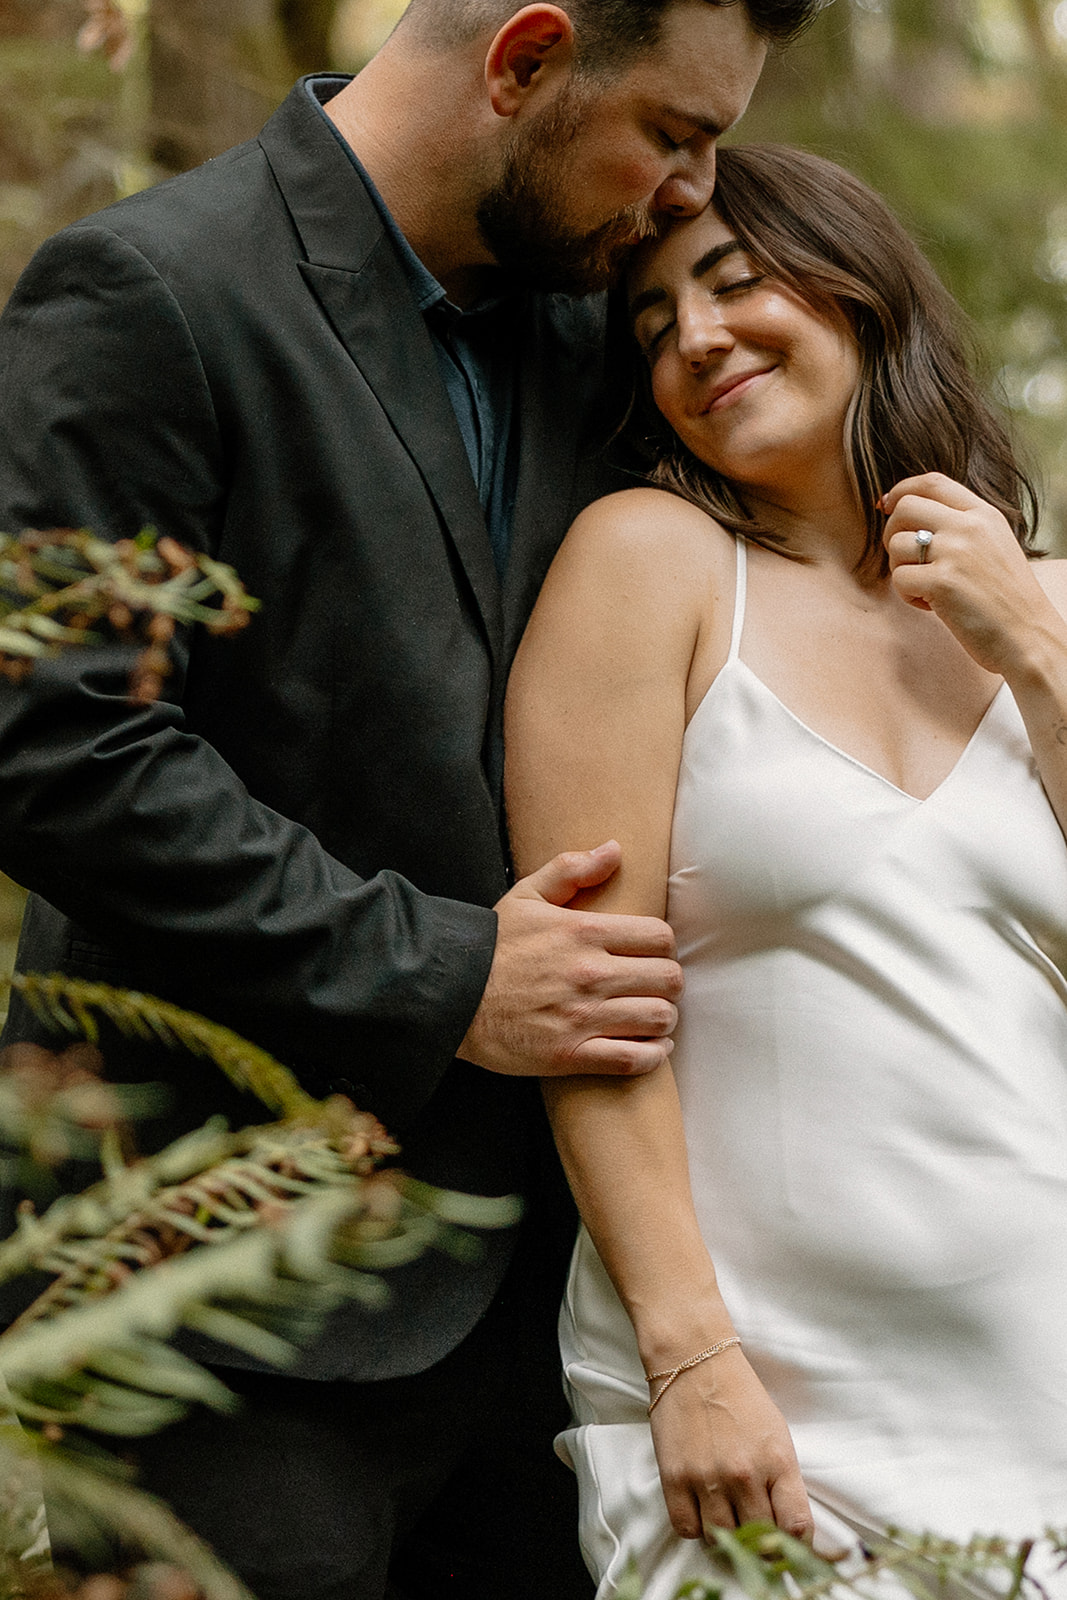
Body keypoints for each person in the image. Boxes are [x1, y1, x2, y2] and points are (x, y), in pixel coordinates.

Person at [0, 3, 822, 1596]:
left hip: (555, 1314)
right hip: (231, 1302)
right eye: (673, 131)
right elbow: (54, 740)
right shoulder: (149, 291)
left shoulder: (601, 330)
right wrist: (444, 973)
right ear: (523, 63)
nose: (687, 192)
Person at [505, 143, 1067, 1600]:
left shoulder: (1040, 606)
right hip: (756, 1423)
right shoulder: (652, 565)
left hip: (1040, 1391)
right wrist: (691, 1355)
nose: (696, 337)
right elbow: (588, 1004)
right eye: (652, 324)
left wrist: (1037, 648)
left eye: (735, 283)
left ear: (863, 292)